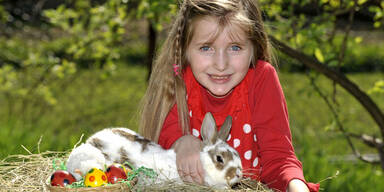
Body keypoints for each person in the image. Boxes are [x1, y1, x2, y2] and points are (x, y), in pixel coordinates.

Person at [139, 0, 319, 191]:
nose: (221, 64)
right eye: (206, 47)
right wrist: (181, 144)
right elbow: (160, 149)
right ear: (184, 51)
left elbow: (278, 158)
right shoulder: (177, 81)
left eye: (235, 48)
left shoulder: (262, 80)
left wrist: (296, 186)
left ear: (253, 49)